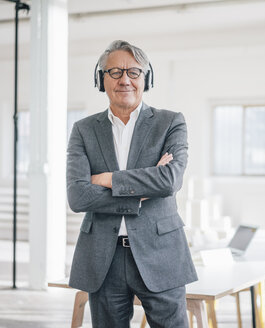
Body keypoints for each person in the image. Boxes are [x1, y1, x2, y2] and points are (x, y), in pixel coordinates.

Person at [66, 40, 197, 327]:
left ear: (146, 78)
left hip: (161, 253)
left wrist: (107, 180)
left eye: (133, 72)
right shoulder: (83, 130)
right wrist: (140, 193)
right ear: (102, 80)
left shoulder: (171, 122)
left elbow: (169, 180)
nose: (124, 79)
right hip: (103, 256)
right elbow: (78, 196)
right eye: (114, 72)